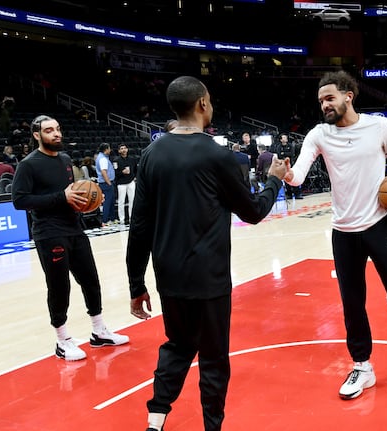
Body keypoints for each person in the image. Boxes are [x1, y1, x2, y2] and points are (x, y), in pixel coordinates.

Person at [126, 76, 288, 431]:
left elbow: (139, 227)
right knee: (213, 359)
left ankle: (155, 421)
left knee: (177, 346)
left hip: (169, 275)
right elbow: (253, 212)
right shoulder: (220, 156)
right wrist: (275, 179)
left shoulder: (151, 154)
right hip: (208, 277)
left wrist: (136, 283)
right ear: (202, 104)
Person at [284, 70, 387, 398]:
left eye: (330, 98)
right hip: (343, 232)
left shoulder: (379, 127)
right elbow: (299, 175)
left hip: (380, 224)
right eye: (320, 101)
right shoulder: (318, 135)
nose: (325, 105)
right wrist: (287, 174)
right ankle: (362, 366)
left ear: (348, 96)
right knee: (352, 303)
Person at [11, 114, 129, 362]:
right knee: (59, 286)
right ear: (37, 135)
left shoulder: (65, 159)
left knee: (91, 279)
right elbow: (20, 201)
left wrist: (91, 199)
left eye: (58, 128)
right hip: (49, 233)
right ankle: (62, 340)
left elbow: (72, 195)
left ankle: (98, 331)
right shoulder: (28, 165)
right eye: (49, 130)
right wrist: (60, 198)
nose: (56, 134)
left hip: (75, 228)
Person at [115, 143, 137, 225]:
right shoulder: (116, 160)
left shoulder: (132, 159)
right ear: (119, 151)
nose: (123, 150)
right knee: (121, 201)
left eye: (125, 148)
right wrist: (122, 172)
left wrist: (134, 177)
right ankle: (122, 219)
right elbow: (115, 173)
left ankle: (132, 217)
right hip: (121, 183)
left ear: (127, 149)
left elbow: (135, 169)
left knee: (132, 200)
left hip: (131, 182)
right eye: (121, 148)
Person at [95, 142, 116, 225]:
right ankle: (105, 220)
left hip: (106, 183)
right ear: (106, 149)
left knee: (111, 201)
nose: (110, 150)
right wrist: (109, 183)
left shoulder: (102, 157)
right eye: (109, 148)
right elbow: (104, 172)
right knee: (107, 202)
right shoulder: (103, 159)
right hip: (106, 183)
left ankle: (111, 219)